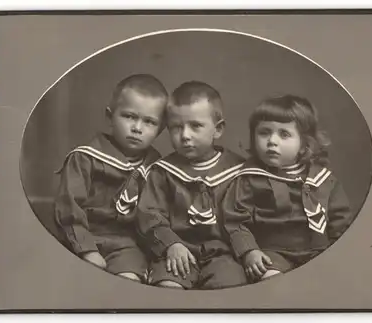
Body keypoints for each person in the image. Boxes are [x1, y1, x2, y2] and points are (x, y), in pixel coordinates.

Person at [221, 94, 353, 282]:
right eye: (264, 132)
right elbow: (234, 221)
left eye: (284, 134)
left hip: (319, 251)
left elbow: (341, 221)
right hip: (273, 253)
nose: (272, 141)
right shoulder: (249, 178)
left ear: (304, 145)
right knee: (271, 279)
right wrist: (249, 250)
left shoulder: (323, 179)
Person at [54, 74, 168, 282]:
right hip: (84, 235)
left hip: (127, 244)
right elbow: (69, 208)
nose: (137, 128)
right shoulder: (85, 157)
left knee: (129, 280)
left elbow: (155, 214)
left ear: (160, 130)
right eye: (129, 116)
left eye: (149, 122)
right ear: (110, 116)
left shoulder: (156, 167)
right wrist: (87, 250)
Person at [135, 81, 247, 290]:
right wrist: (171, 244)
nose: (185, 135)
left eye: (195, 126)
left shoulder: (239, 170)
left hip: (224, 254)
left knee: (229, 287)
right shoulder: (162, 171)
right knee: (168, 286)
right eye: (176, 127)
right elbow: (149, 215)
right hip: (176, 250)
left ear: (218, 129)